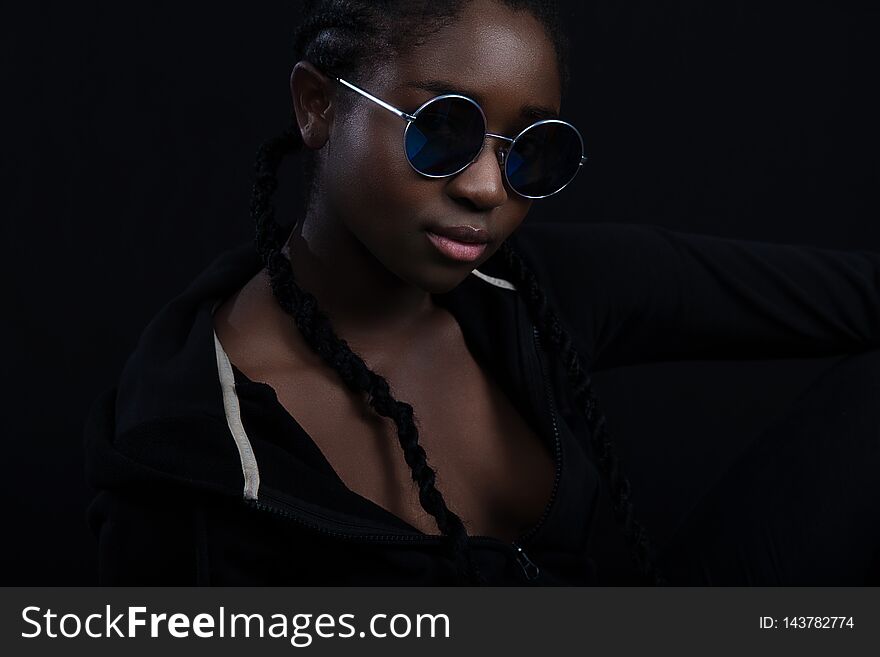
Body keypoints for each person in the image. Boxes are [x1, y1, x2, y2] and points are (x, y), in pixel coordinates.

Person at [83, 0, 880, 585]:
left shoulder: (534, 288)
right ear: (318, 105)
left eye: (533, 152)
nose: (489, 190)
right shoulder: (196, 446)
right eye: (442, 130)